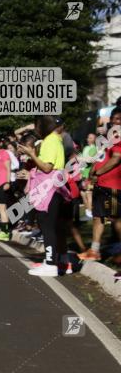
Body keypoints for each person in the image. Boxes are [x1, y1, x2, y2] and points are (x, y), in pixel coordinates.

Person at [16, 116, 72, 276]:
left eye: (37, 125)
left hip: (49, 191)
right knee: (53, 227)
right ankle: (58, 261)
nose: (36, 129)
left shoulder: (50, 141)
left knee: (47, 226)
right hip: (54, 188)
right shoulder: (55, 140)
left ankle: (50, 264)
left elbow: (47, 167)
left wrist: (32, 154)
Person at [79, 109, 121, 262]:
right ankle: (94, 251)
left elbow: (116, 158)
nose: (115, 121)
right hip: (101, 184)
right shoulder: (110, 136)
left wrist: (98, 173)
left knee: (116, 218)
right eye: (114, 118)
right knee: (98, 216)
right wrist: (92, 173)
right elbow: (101, 156)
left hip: (113, 185)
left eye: (119, 119)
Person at [80, 133, 98, 218]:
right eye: (88, 137)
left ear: (95, 139)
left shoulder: (94, 148)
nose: (89, 139)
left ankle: (89, 210)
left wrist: (80, 159)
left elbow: (89, 160)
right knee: (83, 192)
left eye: (91, 138)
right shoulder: (86, 148)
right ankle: (88, 209)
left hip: (89, 173)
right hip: (83, 173)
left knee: (88, 193)